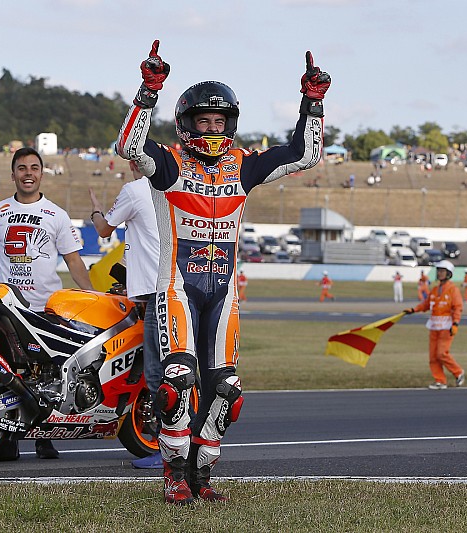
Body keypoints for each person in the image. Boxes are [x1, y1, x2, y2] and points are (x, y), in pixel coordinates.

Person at [116, 39, 329, 504]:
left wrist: (312, 102)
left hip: (224, 294)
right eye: (202, 120)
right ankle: (172, 472)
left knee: (227, 392)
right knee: (176, 383)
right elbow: (128, 144)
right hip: (177, 289)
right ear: (186, 124)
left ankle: (202, 474)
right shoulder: (169, 164)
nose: (211, 128)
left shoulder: (245, 168)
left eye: (219, 120)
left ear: (230, 124)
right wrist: (148, 89)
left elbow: (305, 155)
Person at [0, 146, 94, 461]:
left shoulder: (57, 215)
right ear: (13, 173)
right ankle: (7, 439)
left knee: (47, 375)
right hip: (8, 307)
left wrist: (92, 294)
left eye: (34, 167)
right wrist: (0, 286)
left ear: (41, 173)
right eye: (22, 168)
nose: (28, 173)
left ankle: (45, 438)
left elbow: (73, 260)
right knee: (9, 373)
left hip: (46, 308)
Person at [89, 160, 163, 470]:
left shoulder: (134, 190)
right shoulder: (170, 188)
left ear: (134, 162)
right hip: (173, 287)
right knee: (171, 369)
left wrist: (95, 212)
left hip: (156, 293)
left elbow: (105, 230)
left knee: (159, 375)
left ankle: (170, 449)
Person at [404, 260, 465, 390]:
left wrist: (455, 324)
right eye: (438, 271)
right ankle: (440, 381)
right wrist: (414, 309)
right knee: (433, 356)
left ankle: (458, 372)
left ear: (449, 274)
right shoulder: (435, 289)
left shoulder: (453, 290)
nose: (440, 274)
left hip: (446, 327)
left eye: (442, 271)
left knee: (442, 353)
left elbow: (458, 307)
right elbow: (426, 304)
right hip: (434, 326)